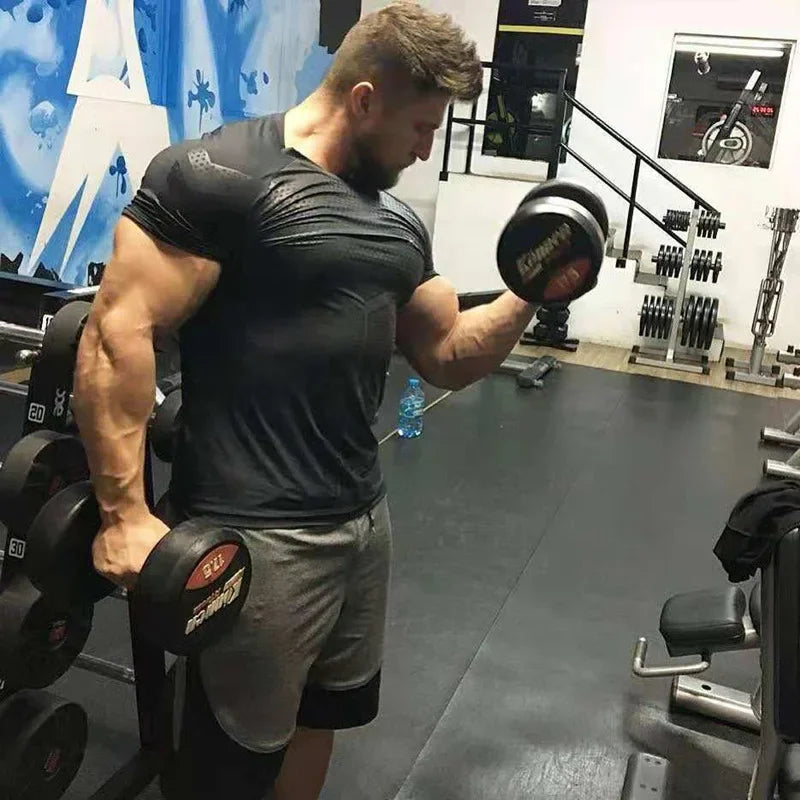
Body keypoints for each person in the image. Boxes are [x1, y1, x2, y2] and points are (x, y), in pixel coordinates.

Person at [72, 3, 540, 798]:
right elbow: (117, 334)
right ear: (364, 100)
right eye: (421, 127)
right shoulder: (220, 177)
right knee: (229, 757)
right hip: (256, 538)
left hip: (361, 524)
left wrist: (532, 288)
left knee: (320, 720)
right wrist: (123, 515)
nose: (426, 150)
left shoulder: (395, 223)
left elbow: (449, 353)